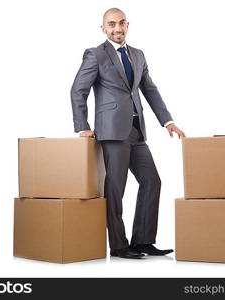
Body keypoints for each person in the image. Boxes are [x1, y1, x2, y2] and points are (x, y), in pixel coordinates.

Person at [71, 8, 186, 259]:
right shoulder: (95, 54)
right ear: (103, 28)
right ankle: (119, 245)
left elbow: (150, 90)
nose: (117, 28)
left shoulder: (138, 55)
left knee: (152, 181)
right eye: (111, 24)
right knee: (115, 188)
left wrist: (167, 121)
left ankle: (143, 240)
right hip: (111, 131)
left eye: (121, 23)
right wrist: (82, 126)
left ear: (128, 25)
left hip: (136, 130)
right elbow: (78, 90)